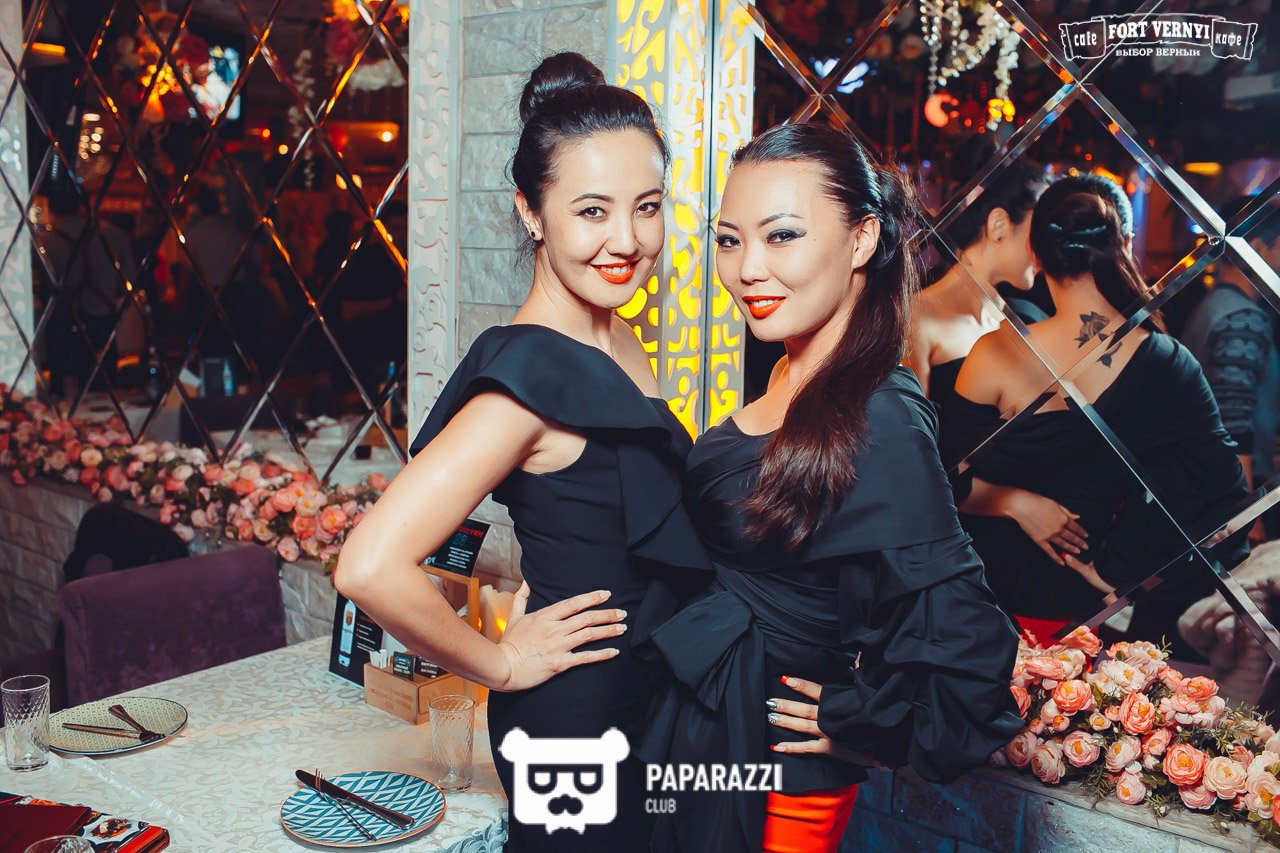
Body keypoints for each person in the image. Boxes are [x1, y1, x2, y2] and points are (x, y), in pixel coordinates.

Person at [333, 53, 708, 853]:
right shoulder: (524, 381)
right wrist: (499, 664)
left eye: (647, 207)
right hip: (577, 723)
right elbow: (368, 566)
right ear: (531, 214)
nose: (628, 239)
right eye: (593, 211)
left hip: (652, 693)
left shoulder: (619, 335)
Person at [637, 123, 1022, 853]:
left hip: (780, 783)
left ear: (862, 239)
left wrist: (864, 722)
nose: (748, 269)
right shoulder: (791, 371)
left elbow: (968, 649)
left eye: (781, 236)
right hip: (704, 735)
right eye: (729, 241)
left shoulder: (883, 417)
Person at [943, 180, 1250, 644]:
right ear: (1122, 245)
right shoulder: (1166, 360)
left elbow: (939, 479)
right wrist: (1121, 566)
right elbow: (1221, 494)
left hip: (979, 591)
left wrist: (1014, 502)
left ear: (1036, 254)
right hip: (1086, 601)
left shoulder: (996, 353)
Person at [1182, 195, 1280, 541]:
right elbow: (1233, 424)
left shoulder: (1212, 305)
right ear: (1257, 248)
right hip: (1230, 497)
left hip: (1207, 489)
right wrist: (1249, 519)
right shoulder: (1244, 318)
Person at [40, 188, 137, 397]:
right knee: (104, 387)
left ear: (52, 207)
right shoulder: (113, 235)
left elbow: (41, 288)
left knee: (63, 392)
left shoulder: (45, 242)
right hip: (102, 317)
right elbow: (128, 281)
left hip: (63, 321)